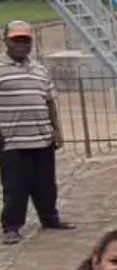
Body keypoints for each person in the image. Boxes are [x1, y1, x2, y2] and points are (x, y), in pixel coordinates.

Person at [0, 21, 73, 245]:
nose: (22, 45)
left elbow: (49, 102)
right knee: (15, 187)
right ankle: (12, 226)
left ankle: (49, 218)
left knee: (46, 184)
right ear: (6, 41)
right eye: (16, 40)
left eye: (25, 40)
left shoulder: (39, 69)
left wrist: (57, 131)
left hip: (42, 138)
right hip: (12, 141)